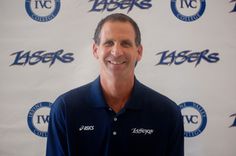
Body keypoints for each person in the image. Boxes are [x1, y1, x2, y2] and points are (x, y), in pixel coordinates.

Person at [46, 13, 184, 156]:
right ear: (95, 50)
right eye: (109, 43)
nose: (116, 51)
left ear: (139, 52)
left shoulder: (167, 113)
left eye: (125, 43)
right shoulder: (65, 109)